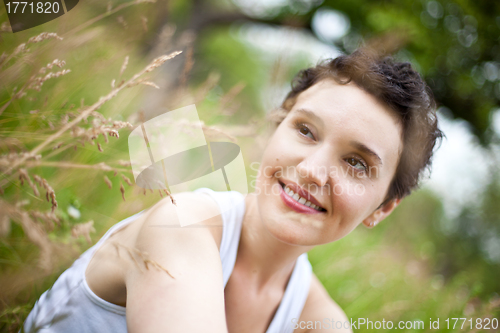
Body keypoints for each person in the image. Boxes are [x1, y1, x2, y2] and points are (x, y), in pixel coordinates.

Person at [22, 49, 443, 333]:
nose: (313, 171)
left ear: (383, 208)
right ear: (277, 125)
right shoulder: (182, 226)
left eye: (356, 163)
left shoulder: (319, 319)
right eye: (306, 130)